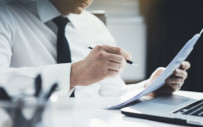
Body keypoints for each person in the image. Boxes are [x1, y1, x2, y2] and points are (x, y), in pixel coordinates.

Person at [0, 0, 190, 98]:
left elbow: (112, 93)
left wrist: (147, 88)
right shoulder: (6, 16)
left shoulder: (93, 25)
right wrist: (73, 75)